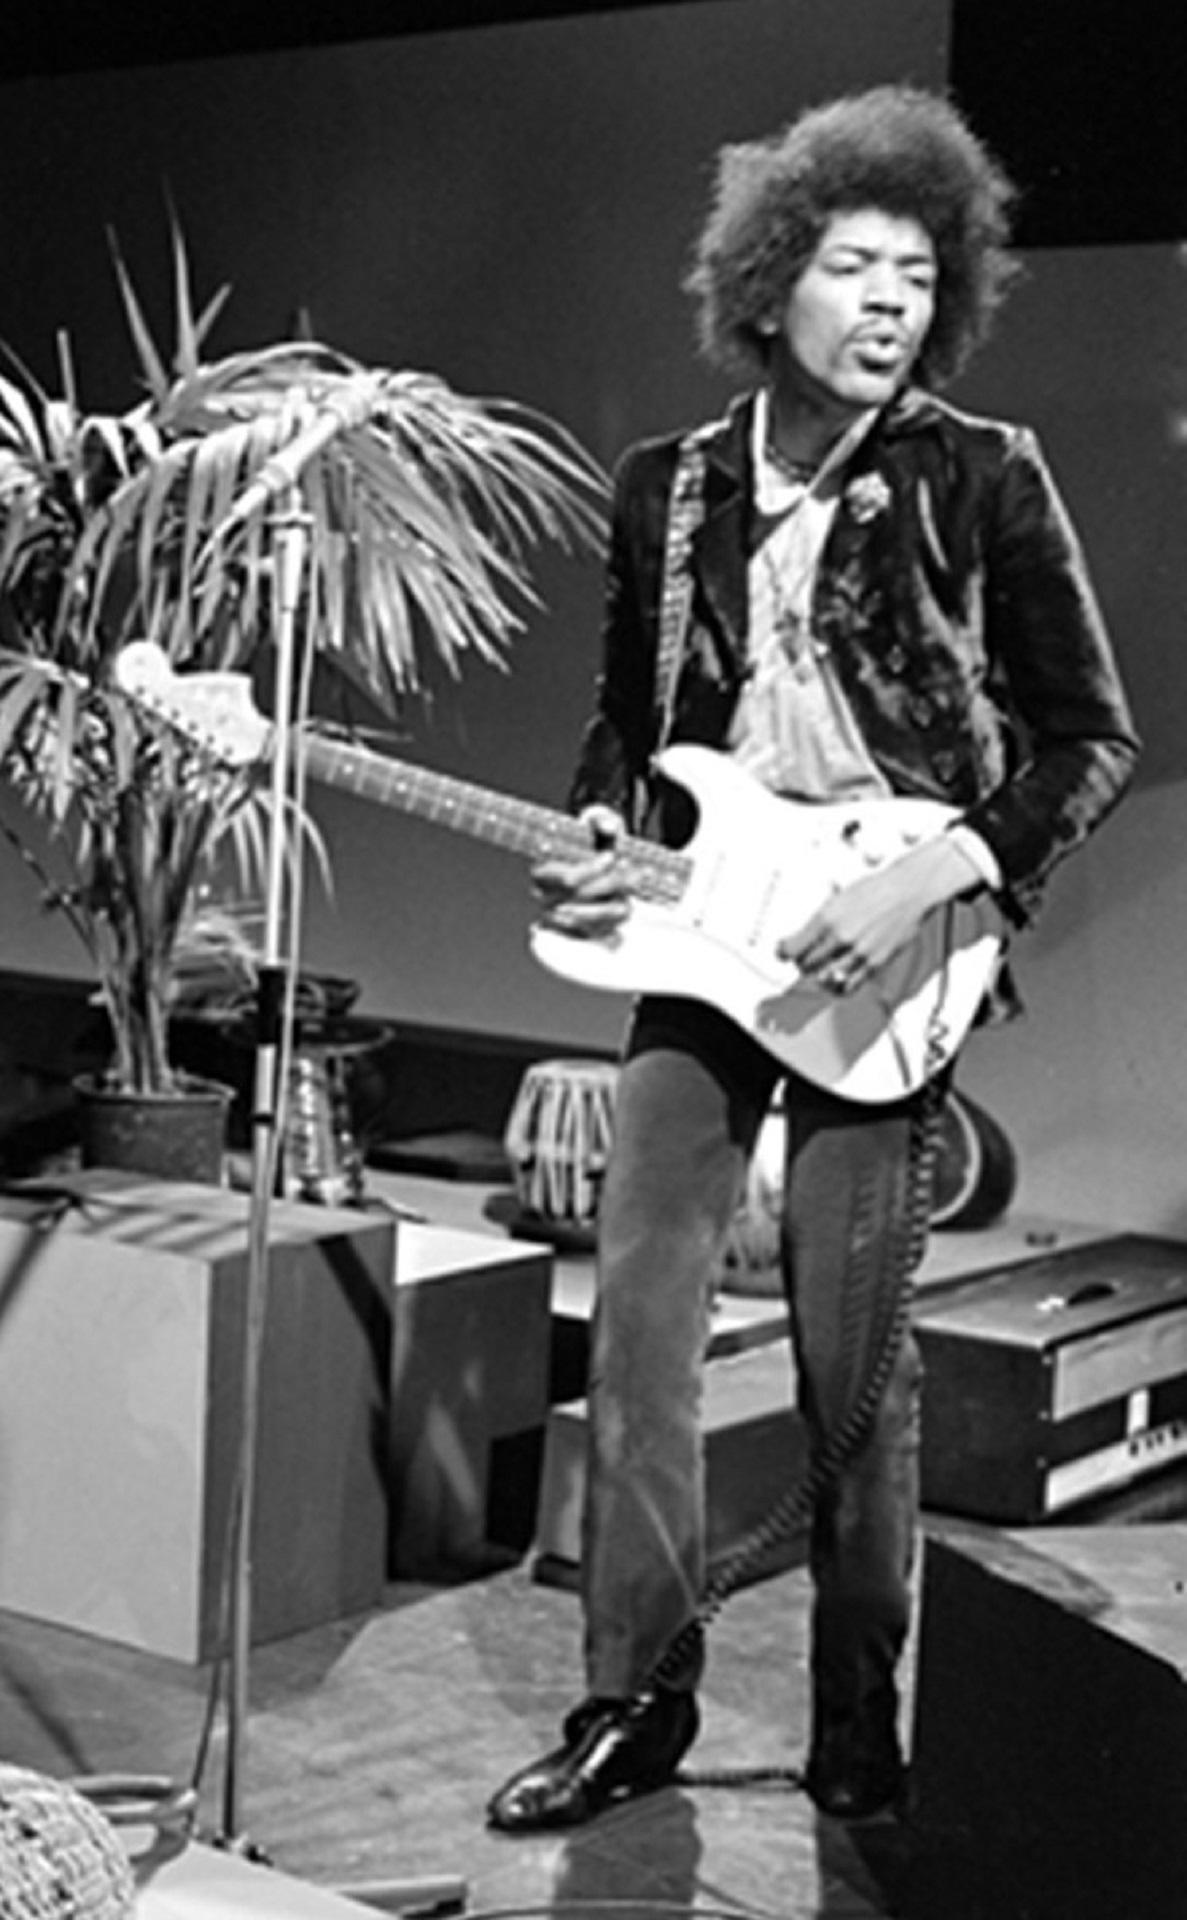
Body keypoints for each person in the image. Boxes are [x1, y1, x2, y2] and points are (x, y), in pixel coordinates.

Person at [486, 84, 1139, 1833]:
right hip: (703, 954)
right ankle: (633, 1696)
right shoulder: (668, 490)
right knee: (638, 1332)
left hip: (886, 954)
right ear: (770, 282)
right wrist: (600, 832)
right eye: (855, 268)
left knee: (860, 1373)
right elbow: (629, 728)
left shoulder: (982, 476)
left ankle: (862, 1710)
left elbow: (1090, 741)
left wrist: (945, 863)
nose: (889, 305)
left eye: (919, 278)